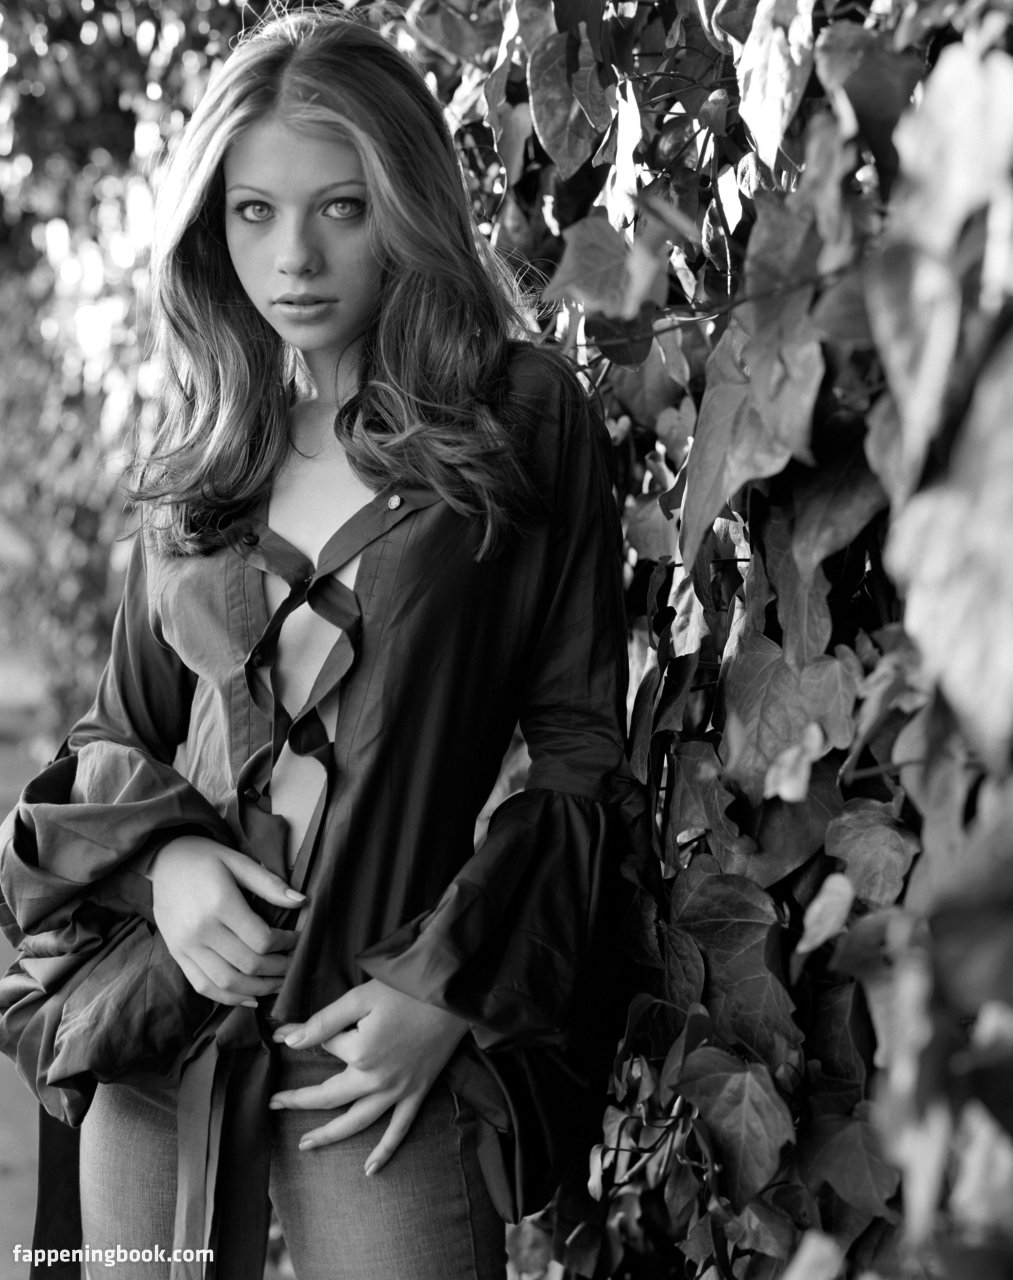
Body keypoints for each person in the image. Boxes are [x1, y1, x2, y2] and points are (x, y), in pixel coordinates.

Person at [0, 9, 641, 1280]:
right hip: (157, 1029)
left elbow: (579, 753)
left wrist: (442, 985)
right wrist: (168, 863)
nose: (291, 257)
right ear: (213, 224)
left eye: (340, 208)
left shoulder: (518, 416)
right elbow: (118, 730)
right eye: (253, 212)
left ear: (403, 202)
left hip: (371, 1046)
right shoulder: (205, 448)